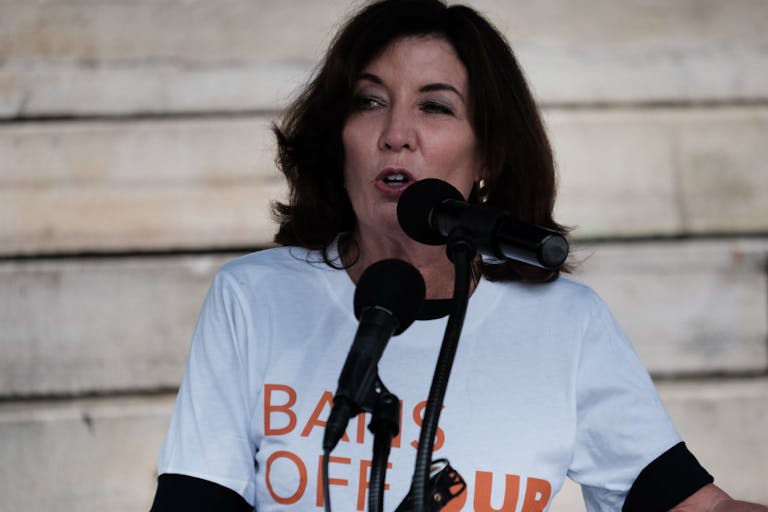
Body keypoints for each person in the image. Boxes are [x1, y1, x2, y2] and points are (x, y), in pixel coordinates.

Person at [150, 1, 767, 511]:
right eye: (368, 101)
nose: (396, 132)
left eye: (435, 106)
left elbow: (696, 507)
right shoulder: (255, 298)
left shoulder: (565, 323)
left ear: (489, 157)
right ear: (337, 139)